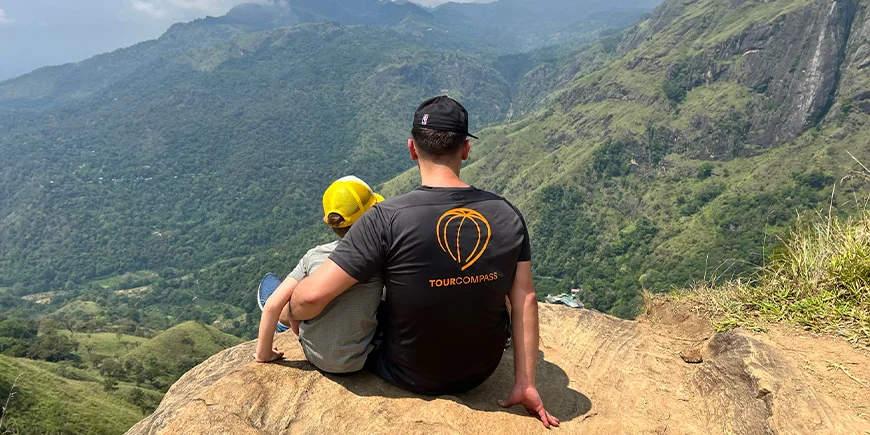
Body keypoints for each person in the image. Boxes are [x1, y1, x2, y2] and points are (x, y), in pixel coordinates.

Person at [267, 96, 559, 428]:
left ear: (411, 149)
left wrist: (289, 312)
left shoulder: (386, 218)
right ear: (465, 149)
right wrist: (525, 383)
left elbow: (311, 297)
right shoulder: (508, 214)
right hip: (481, 370)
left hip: (407, 372)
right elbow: (525, 298)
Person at [255, 176, 384, 375]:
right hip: (361, 359)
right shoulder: (380, 257)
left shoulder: (314, 256)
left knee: (302, 284)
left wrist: (264, 354)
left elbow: (273, 305)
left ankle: (284, 322)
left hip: (314, 355)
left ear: (328, 221)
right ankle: (286, 318)